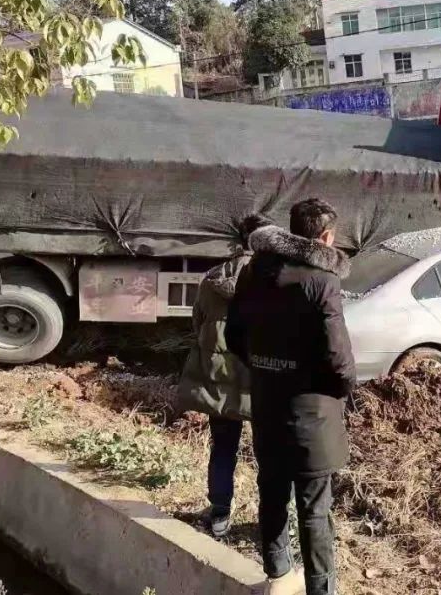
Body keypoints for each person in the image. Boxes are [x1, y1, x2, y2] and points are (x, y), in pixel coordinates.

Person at [226, 198, 355, 595]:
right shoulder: (322, 282)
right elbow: (339, 362)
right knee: (315, 509)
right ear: (327, 237)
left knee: (272, 492)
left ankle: (278, 571)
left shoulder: (254, 273)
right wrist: (339, 391)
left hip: (267, 402)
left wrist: (266, 368)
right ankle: (322, 589)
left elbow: (233, 336)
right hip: (311, 411)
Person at [175, 213, 273, 538]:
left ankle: (219, 515)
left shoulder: (211, 280)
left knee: (222, 449)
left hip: (219, 383)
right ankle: (272, 525)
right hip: (262, 385)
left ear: (239, 242)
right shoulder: (278, 282)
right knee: (269, 457)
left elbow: (198, 324)